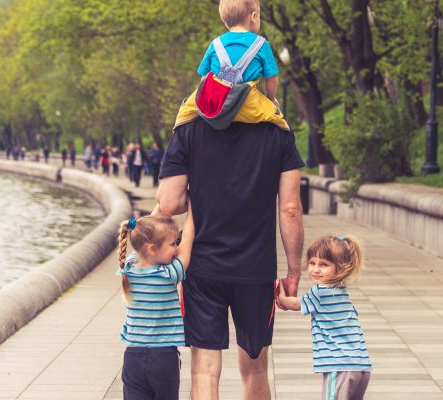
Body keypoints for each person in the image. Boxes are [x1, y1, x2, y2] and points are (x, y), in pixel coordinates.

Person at [157, 68, 304, 400]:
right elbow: (291, 208)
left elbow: (168, 202)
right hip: (257, 268)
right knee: (254, 369)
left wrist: (200, 196)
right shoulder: (277, 132)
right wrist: (294, 271)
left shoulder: (189, 129)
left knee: (204, 370)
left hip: (202, 267)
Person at [277, 235, 372, 400]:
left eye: (324, 265)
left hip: (339, 366)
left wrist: (280, 293)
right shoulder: (342, 293)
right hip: (361, 366)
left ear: (341, 268)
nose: (315, 269)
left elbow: (293, 304)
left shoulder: (320, 292)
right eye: (312, 263)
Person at [117, 204, 195, 400]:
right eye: (172, 244)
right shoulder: (168, 274)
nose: (176, 248)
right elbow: (188, 240)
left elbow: (142, 237)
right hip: (163, 359)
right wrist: (193, 209)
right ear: (152, 249)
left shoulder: (129, 268)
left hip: (132, 358)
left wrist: (161, 205)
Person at [173, 0, 288, 132]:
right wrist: (271, 99)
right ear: (254, 17)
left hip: (218, 104)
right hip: (249, 106)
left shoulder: (215, 44)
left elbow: (204, 79)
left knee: (184, 114)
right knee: (281, 124)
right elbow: (272, 78)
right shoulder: (262, 45)